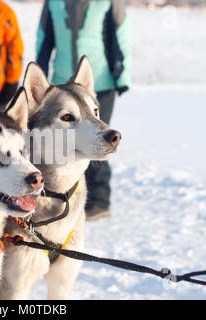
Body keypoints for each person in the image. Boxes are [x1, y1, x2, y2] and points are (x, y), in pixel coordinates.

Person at [36, 0, 131, 220]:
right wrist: (39, 71)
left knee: (98, 141)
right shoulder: (53, 3)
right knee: (66, 148)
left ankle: (99, 200)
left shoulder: (108, 2)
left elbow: (121, 35)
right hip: (61, 84)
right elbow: (44, 37)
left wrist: (122, 74)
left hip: (98, 82)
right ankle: (64, 199)